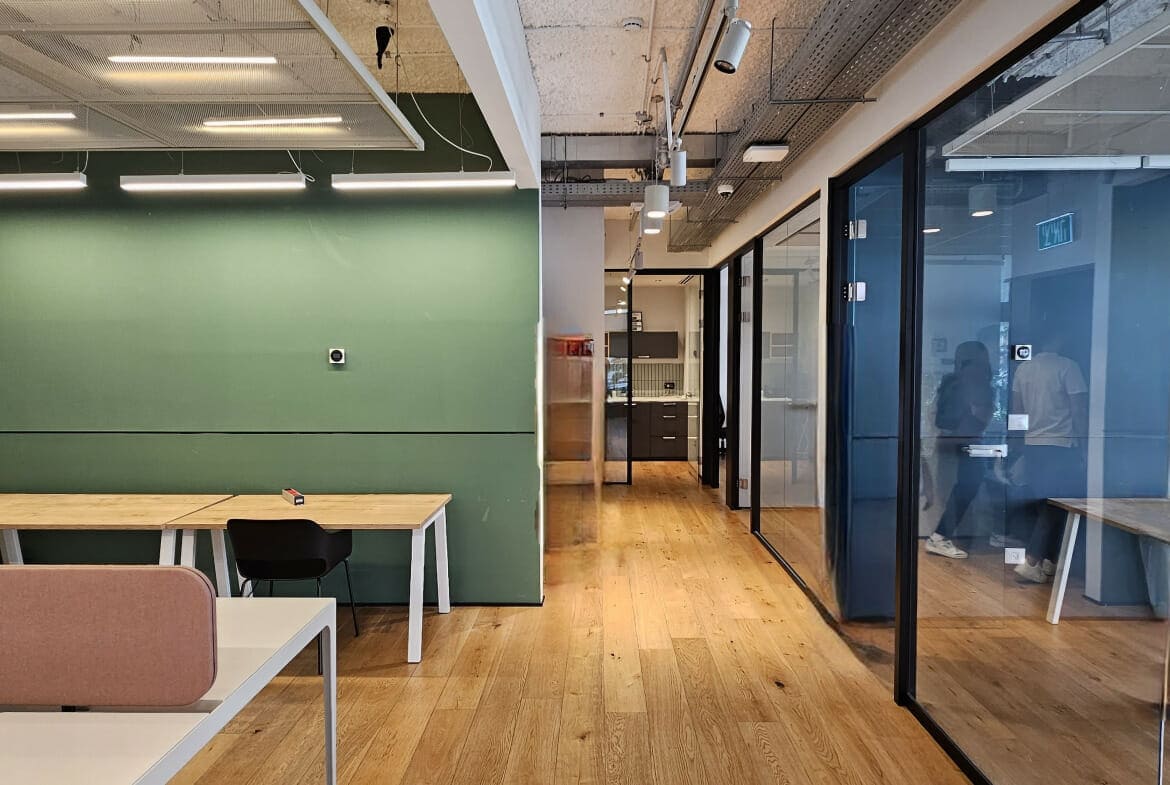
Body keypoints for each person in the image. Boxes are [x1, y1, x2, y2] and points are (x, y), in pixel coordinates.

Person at [1010, 329, 1088, 583]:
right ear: (1061, 337)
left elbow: (1017, 411)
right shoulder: (1069, 367)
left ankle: (1048, 560)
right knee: (1055, 505)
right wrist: (1086, 446)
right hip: (1061, 445)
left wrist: (1019, 444)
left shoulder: (1023, 369)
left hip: (1033, 444)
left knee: (1044, 502)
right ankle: (1032, 560)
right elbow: (1079, 411)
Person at [925, 341, 994, 559]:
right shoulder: (977, 377)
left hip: (949, 439)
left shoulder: (951, 379)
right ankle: (940, 536)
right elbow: (980, 415)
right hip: (969, 439)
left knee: (963, 487)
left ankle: (941, 535)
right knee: (969, 486)